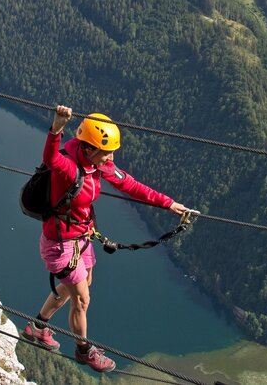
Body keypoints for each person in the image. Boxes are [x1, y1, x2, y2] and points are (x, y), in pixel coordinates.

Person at [21, 105, 190, 372]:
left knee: (82, 284)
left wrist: (168, 203)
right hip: (60, 245)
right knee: (82, 299)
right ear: (89, 149)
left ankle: (37, 327)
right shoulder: (68, 167)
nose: (111, 157)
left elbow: (130, 185)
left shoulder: (99, 164)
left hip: (81, 237)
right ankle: (83, 350)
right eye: (107, 151)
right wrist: (57, 128)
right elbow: (50, 158)